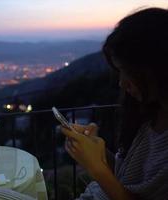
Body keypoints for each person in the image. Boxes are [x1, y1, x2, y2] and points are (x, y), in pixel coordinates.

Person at [61, 7, 168, 200]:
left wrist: (96, 167)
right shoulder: (151, 114)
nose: (122, 83)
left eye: (127, 71)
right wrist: (97, 150)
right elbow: (127, 175)